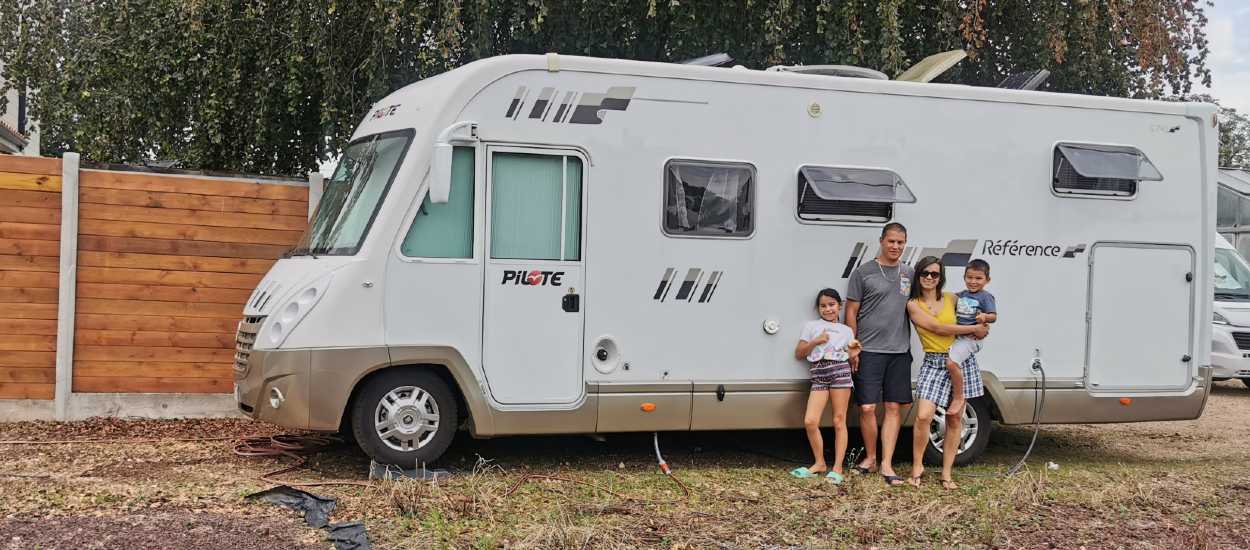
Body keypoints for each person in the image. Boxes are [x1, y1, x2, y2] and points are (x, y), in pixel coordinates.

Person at [904, 256, 990, 490]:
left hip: (959, 362)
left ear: (941, 277)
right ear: (918, 276)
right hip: (933, 362)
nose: (930, 278)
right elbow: (937, 328)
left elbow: (979, 314)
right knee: (923, 416)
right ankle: (917, 467)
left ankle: (947, 473)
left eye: (935, 274)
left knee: (954, 418)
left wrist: (984, 326)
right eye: (925, 273)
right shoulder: (913, 303)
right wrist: (975, 328)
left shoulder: (953, 298)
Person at [845, 223, 914, 486]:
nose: (895, 246)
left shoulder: (909, 272)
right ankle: (871, 457)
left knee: (894, 407)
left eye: (900, 242)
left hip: (899, 351)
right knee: (867, 407)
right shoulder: (863, 273)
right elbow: (851, 311)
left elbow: (924, 303)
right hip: (869, 351)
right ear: (881, 241)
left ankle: (887, 463)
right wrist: (853, 345)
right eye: (891, 241)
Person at [790, 289, 862, 484]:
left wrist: (854, 353)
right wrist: (816, 341)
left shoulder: (846, 330)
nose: (828, 309)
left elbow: (849, 356)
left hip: (839, 371)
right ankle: (820, 463)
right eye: (823, 306)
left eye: (832, 305)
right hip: (819, 374)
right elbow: (799, 353)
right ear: (818, 308)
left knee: (839, 420)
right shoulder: (811, 326)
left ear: (840, 305)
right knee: (810, 421)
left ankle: (837, 468)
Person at [945, 259, 997, 416]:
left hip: (971, 339)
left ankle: (959, 395)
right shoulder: (961, 295)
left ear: (987, 280)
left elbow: (994, 316)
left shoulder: (986, 297)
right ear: (964, 277)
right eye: (970, 277)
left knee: (952, 362)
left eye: (978, 278)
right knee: (952, 361)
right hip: (960, 337)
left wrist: (984, 317)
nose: (973, 281)